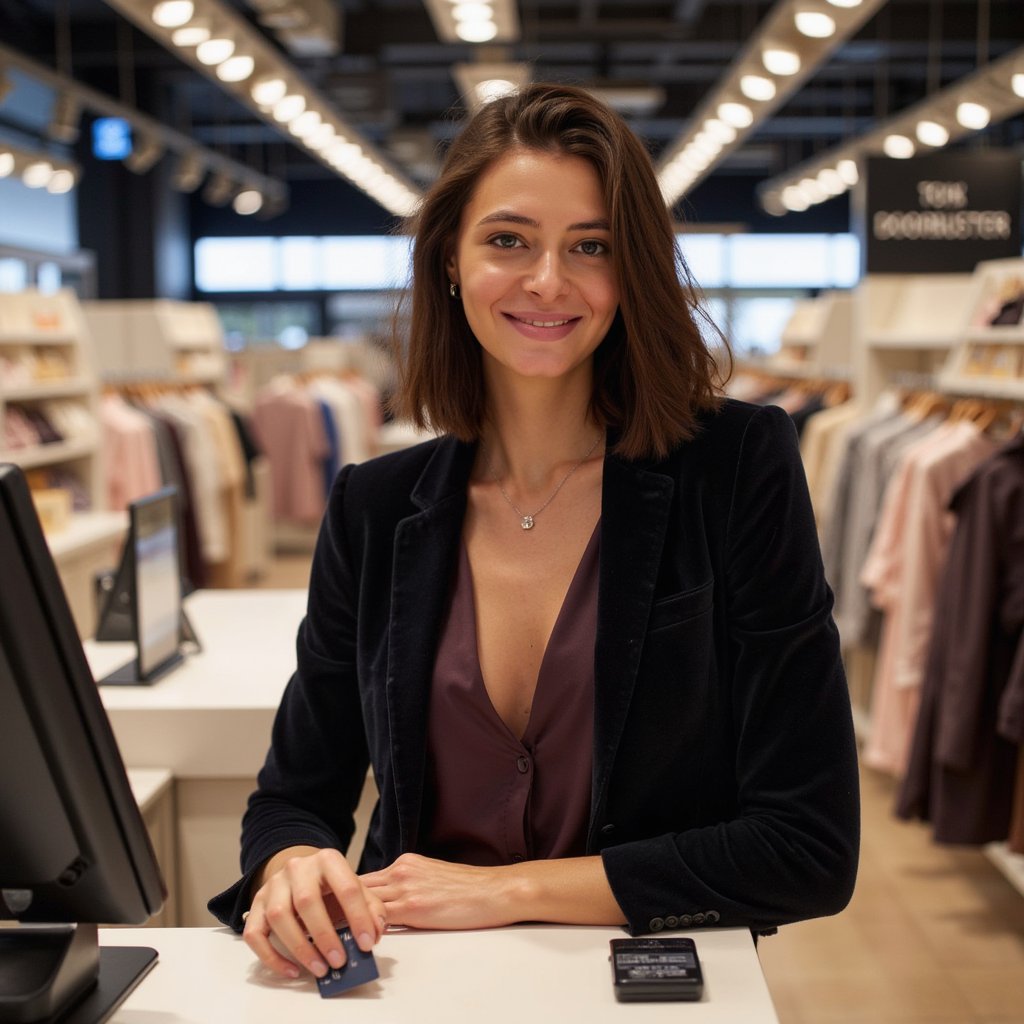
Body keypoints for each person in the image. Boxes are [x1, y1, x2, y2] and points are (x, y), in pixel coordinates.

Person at [208, 83, 859, 980]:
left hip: (643, 981)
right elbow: (293, 795)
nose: (548, 281)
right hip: (416, 983)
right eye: (508, 239)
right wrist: (290, 867)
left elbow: (807, 846)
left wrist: (508, 891)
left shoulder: (735, 466)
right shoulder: (376, 505)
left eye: (590, 247)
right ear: (449, 260)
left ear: (632, 270)